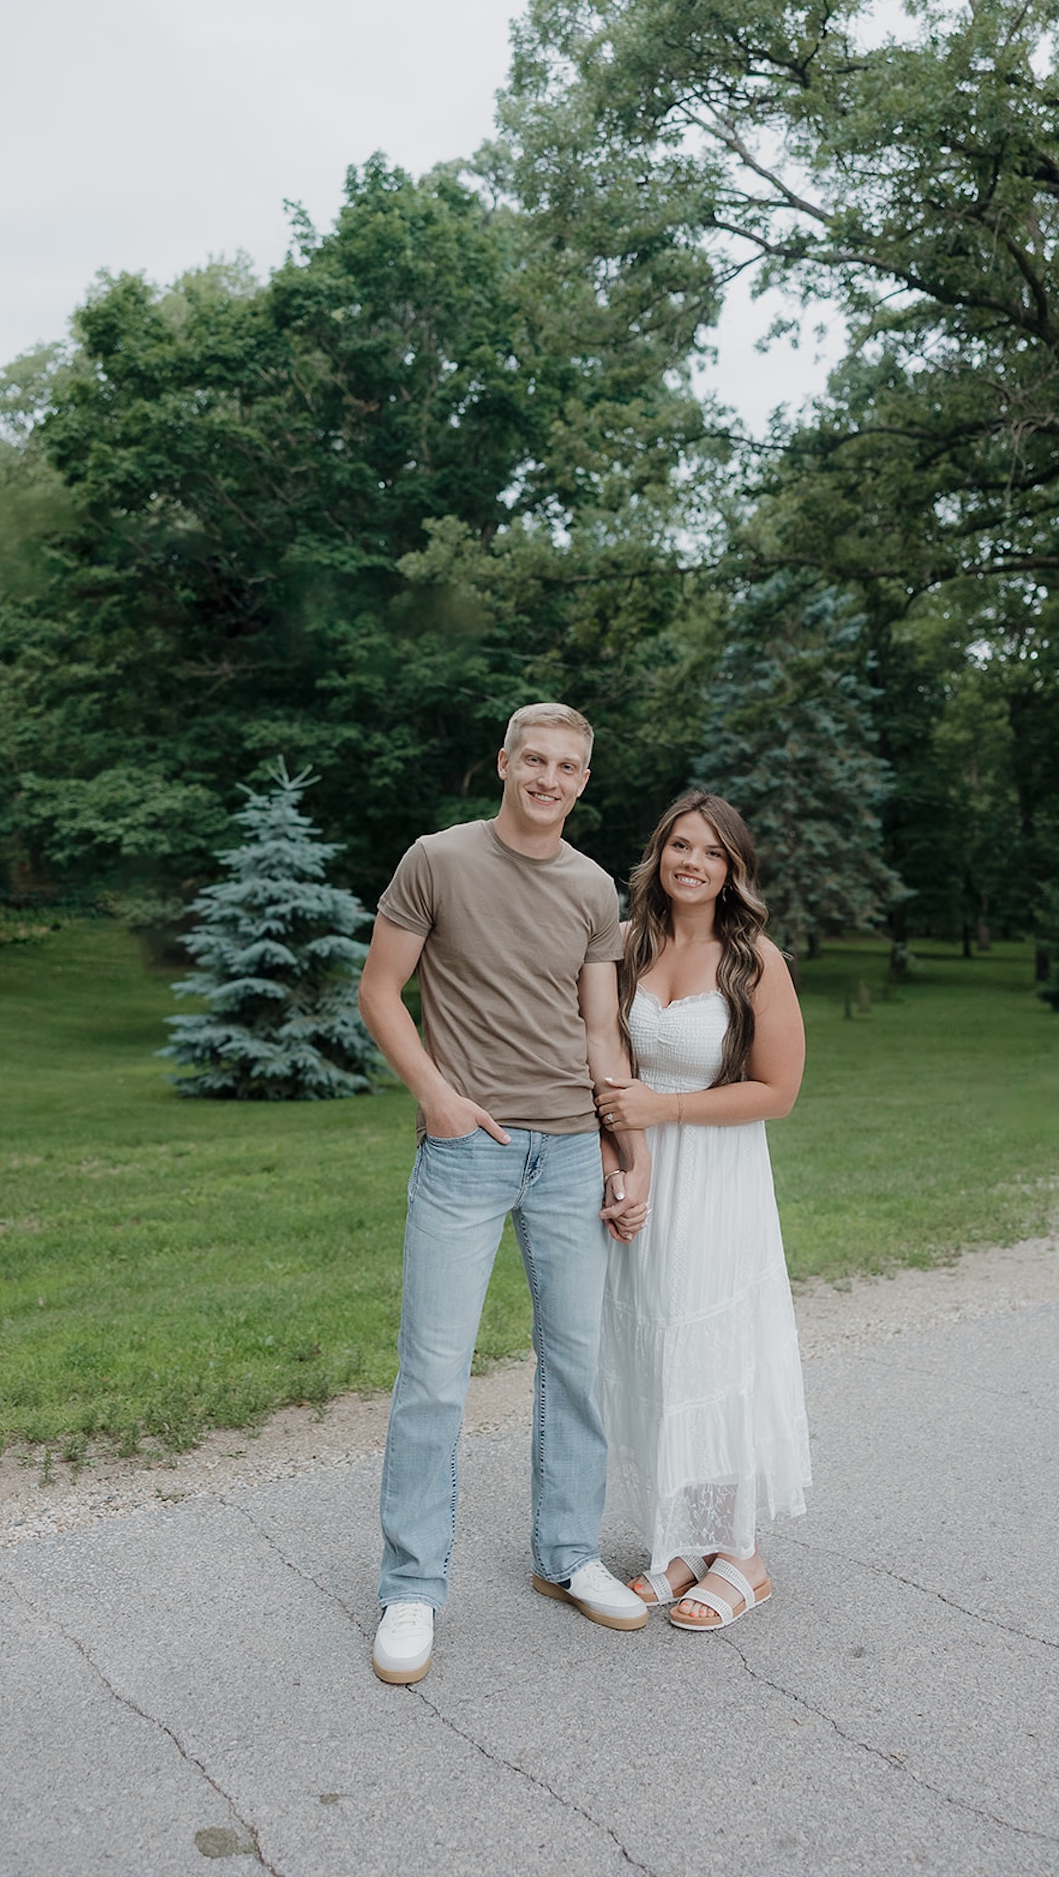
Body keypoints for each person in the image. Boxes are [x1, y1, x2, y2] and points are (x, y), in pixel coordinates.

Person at [357, 702, 652, 1685]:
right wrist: (437, 1097)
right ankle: (410, 1584)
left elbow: (602, 1033)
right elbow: (379, 991)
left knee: (574, 1362)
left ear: (581, 780)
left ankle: (566, 1556)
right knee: (434, 1372)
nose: (550, 778)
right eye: (535, 759)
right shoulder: (435, 860)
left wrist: (623, 1147)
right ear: (503, 762)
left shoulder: (590, 887)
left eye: (569, 766)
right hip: (467, 1151)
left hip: (570, 1151)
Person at [593, 789, 810, 1630]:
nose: (693, 862)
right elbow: (601, 1063)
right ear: (659, 854)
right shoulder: (625, 946)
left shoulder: (754, 960)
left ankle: (743, 1557)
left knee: (713, 1354)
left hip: (717, 1175)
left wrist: (664, 1111)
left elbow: (779, 1092)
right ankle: (684, 1539)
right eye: (680, 845)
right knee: (654, 1351)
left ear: (733, 870)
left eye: (712, 852)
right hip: (644, 1172)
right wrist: (623, 1161)